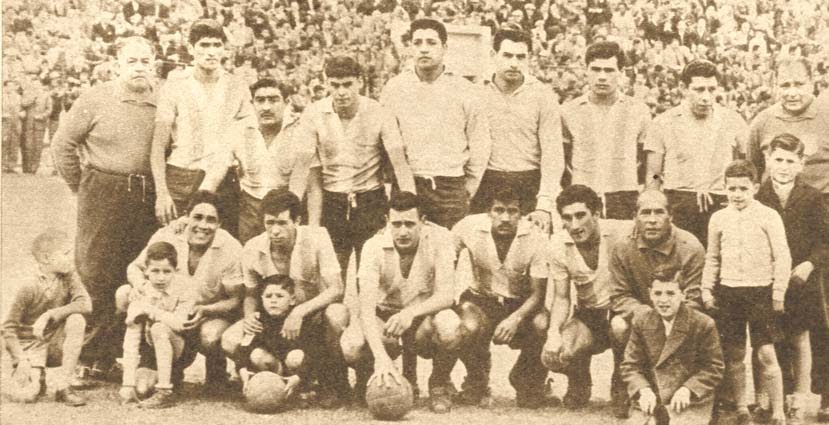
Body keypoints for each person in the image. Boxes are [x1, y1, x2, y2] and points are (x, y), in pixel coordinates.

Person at [52, 36, 160, 379]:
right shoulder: (96, 98)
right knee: (96, 274)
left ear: (154, 63)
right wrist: (82, 187)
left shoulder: (165, 100)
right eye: (132, 61)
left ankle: (122, 356)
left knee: (138, 273)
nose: (139, 68)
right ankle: (86, 356)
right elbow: (63, 145)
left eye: (145, 61)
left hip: (148, 193)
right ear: (118, 65)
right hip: (104, 190)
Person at [222, 189, 351, 407]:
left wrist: (299, 311)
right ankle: (272, 380)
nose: (275, 231)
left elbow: (336, 288)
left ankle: (334, 382)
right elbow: (251, 294)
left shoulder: (318, 237)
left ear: (298, 220)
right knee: (231, 339)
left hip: (313, 315)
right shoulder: (253, 248)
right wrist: (249, 316)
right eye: (269, 223)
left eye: (282, 223)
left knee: (336, 315)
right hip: (274, 319)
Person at [340, 191, 465, 413]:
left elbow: (446, 295)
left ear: (423, 222)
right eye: (396, 224)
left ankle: (439, 382)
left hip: (421, 316)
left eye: (410, 224)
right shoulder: (372, 246)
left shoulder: (440, 239)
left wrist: (410, 314)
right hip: (384, 318)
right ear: (387, 222)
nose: (403, 231)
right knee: (351, 344)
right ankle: (369, 377)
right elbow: (366, 311)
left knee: (450, 323)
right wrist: (381, 358)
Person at [291, 56, 416, 274]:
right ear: (326, 82)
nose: (341, 92)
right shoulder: (313, 114)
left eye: (347, 84)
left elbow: (400, 165)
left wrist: (410, 210)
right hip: (332, 202)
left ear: (359, 82)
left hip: (370, 202)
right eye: (335, 85)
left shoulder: (379, 112)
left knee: (371, 272)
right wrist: (289, 212)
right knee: (331, 273)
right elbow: (301, 169)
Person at [702, 160, 791, 425]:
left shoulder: (768, 216)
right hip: (730, 293)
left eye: (743, 188)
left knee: (766, 353)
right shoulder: (718, 218)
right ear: (725, 188)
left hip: (761, 292)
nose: (737, 194)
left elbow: (782, 256)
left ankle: (778, 412)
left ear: (754, 187)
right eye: (732, 189)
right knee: (734, 354)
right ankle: (741, 408)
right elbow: (712, 258)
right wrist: (707, 289)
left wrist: (778, 292)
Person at [127, 190, 244, 392]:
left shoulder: (230, 248)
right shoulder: (168, 235)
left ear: (219, 224)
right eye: (197, 217)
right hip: (166, 312)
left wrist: (205, 310)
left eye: (210, 220)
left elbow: (235, 300)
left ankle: (216, 371)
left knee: (210, 335)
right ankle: (151, 361)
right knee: (123, 295)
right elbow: (135, 268)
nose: (202, 226)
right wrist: (142, 288)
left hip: (205, 315)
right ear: (186, 216)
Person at [380, 19, 491, 229]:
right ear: (410, 47)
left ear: (445, 47)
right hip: (408, 183)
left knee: (451, 251)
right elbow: (387, 141)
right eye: (418, 43)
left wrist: (469, 185)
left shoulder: (465, 90)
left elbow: (480, 142)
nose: (424, 49)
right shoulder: (394, 89)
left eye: (431, 43)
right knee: (409, 251)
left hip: (451, 187)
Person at [151, 19, 256, 238]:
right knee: (175, 246)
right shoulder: (175, 84)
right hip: (181, 179)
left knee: (222, 248)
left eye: (216, 45)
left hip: (224, 182)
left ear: (224, 49)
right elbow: (158, 147)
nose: (211, 52)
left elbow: (248, 139)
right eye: (204, 45)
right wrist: (162, 193)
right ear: (191, 48)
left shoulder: (237, 86)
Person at [750, 134, 829, 424]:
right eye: (778, 159)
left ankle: (799, 396)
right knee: (766, 339)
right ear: (768, 160)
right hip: (765, 279)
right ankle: (770, 398)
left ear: (801, 164)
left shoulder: (811, 197)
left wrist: (810, 264)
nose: (783, 167)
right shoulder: (757, 196)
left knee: (800, 337)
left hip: (799, 279)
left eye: (790, 161)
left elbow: (825, 240)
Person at [449, 187, 550, 408]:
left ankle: (526, 379)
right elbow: (445, 256)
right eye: (499, 210)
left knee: (542, 323)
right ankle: (477, 376)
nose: (505, 217)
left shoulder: (536, 237)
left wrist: (515, 319)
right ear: (488, 213)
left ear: (522, 214)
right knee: (466, 325)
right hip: (482, 299)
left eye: (512, 211)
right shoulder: (468, 227)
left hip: (521, 303)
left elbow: (538, 293)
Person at [608, 189, 706, 418]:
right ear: (635, 216)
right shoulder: (622, 247)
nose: (652, 220)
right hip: (640, 319)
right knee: (618, 325)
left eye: (659, 212)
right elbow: (619, 296)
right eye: (645, 212)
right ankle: (625, 384)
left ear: (670, 215)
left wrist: (669, 318)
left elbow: (694, 298)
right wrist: (649, 317)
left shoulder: (690, 247)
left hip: (680, 318)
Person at [645, 60, 748, 245]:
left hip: (721, 202)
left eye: (712, 89)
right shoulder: (663, 123)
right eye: (699, 90)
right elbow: (653, 175)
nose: (706, 97)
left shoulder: (732, 120)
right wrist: (653, 208)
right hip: (679, 203)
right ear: (684, 88)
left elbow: (746, 166)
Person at [542, 184, 627, 409]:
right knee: (558, 353)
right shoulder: (558, 245)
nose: (575, 225)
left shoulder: (623, 232)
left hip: (623, 312)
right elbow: (561, 298)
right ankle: (579, 380)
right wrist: (553, 334)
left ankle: (622, 385)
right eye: (567, 218)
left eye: (581, 215)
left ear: (597, 213)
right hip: (590, 314)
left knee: (621, 327)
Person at [470, 27, 563, 234]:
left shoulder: (543, 96)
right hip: (486, 182)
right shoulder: (475, 93)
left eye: (521, 57)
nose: (514, 63)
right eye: (508, 55)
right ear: (494, 56)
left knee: (532, 248)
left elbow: (553, 154)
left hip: (528, 182)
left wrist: (544, 204)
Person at [621, 265, 724, 425]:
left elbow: (713, 368)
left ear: (683, 295)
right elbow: (630, 366)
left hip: (689, 398)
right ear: (650, 294)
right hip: (652, 395)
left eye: (670, 293)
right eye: (657, 293)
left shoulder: (702, 323)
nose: (663, 300)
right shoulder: (642, 321)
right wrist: (643, 389)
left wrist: (688, 389)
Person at [560, 41, 651, 220]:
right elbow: (562, 161)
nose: (602, 77)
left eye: (609, 70)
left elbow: (646, 161)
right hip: (581, 197)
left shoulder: (639, 111)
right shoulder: (568, 111)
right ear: (586, 70)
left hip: (624, 197)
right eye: (595, 69)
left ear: (621, 73)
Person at [1, 229, 91, 406]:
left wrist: (50, 314)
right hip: (30, 345)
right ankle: (36, 376)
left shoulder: (69, 275)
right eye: (65, 254)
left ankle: (64, 386)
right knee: (26, 396)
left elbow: (85, 304)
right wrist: (21, 360)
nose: (71, 259)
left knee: (77, 320)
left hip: (55, 340)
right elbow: (8, 328)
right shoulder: (27, 285)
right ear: (46, 258)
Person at [117, 241, 193, 408]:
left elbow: (180, 324)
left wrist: (150, 311)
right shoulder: (142, 292)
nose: (160, 277)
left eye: (167, 271)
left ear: (176, 271)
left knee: (160, 328)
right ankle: (163, 378)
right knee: (142, 389)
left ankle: (165, 391)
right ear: (145, 271)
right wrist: (127, 384)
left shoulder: (185, 287)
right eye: (155, 271)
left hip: (181, 347)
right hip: (152, 350)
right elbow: (132, 338)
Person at [749, 58, 829, 194]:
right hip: (774, 207)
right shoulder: (762, 121)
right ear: (775, 85)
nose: (792, 93)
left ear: (811, 83)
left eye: (799, 84)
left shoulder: (826, 116)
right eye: (785, 85)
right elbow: (752, 171)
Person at [234, 79, 299, 244]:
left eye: (273, 99)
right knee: (249, 258)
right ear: (252, 103)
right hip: (250, 209)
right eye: (260, 100)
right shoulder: (239, 129)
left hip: (286, 207)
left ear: (287, 102)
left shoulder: (301, 129)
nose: (266, 107)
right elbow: (217, 170)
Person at [236, 276, 308, 399]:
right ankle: (268, 388)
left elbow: (315, 353)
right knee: (257, 354)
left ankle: (303, 388)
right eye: (268, 296)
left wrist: (298, 377)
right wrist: (242, 371)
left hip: (296, 370)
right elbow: (242, 349)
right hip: (275, 367)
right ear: (262, 300)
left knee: (296, 356)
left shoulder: (299, 320)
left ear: (292, 300)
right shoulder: (258, 320)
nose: (273, 301)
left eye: (279, 296)